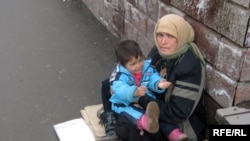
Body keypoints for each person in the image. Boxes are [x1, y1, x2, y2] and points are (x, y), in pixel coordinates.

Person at [99, 14, 207, 141]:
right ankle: (110, 118)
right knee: (108, 84)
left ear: (181, 36)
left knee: (125, 127)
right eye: (160, 35)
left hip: (176, 121)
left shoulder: (189, 66)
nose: (163, 41)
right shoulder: (160, 51)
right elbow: (144, 73)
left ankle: (119, 120)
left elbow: (177, 114)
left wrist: (139, 99)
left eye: (170, 36)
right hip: (152, 100)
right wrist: (124, 89)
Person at [109, 40, 173, 135]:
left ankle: (174, 132)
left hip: (145, 99)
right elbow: (121, 89)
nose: (138, 65)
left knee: (157, 115)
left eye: (140, 60)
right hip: (124, 103)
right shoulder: (118, 76)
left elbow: (152, 77)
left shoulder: (146, 67)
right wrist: (134, 92)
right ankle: (144, 122)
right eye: (133, 64)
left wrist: (159, 83)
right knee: (135, 114)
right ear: (122, 64)